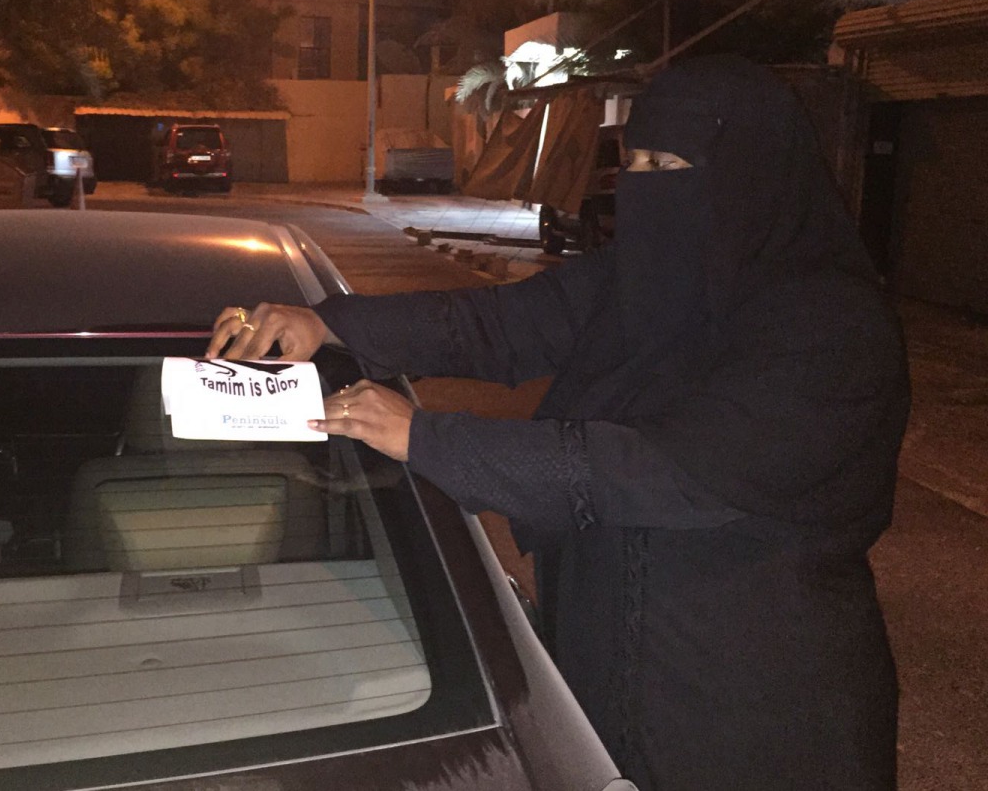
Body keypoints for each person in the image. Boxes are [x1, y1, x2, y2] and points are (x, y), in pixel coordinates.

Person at [206, 55, 910, 791]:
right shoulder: (637, 279)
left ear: (757, 174)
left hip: (761, 724)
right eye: (633, 161)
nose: (646, 185)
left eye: (670, 164)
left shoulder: (835, 331)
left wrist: (428, 436)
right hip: (604, 697)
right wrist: (328, 324)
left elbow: (668, 473)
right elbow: (495, 325)